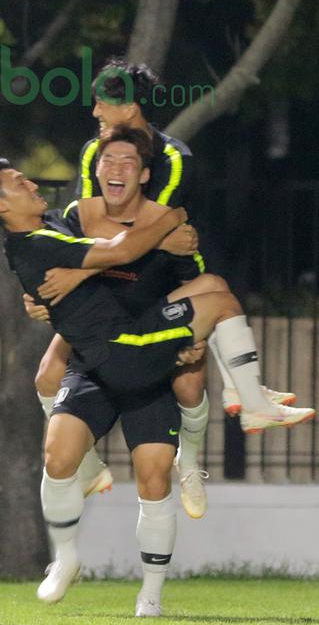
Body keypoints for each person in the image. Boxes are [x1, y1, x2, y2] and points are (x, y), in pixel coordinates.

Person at [0, 156, 313, 616]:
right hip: (117, 353)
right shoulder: (51, 233)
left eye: (130, 162)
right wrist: (172, 219)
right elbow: (120, 251)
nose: (30, 183)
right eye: (17, 181)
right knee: (57, 454)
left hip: (138, 350)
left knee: (154, 472)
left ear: (145, 175)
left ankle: (150, 594)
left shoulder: (55, 225)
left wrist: (146, 268)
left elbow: (136, 260)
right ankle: (64, 559)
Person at [28, 128, 295, 518]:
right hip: (99, 320)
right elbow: (51, 267)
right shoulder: (78, 217)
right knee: (46, 377)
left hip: (153, 321)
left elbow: (198, 282)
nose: (117, 169)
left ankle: (191, 461)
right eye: (108, 160)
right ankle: (86, 465)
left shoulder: (170, 227)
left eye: (128, 162)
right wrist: (38, 299)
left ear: (146, 176)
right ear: (96, 169)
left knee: (191, 378)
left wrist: (197, 333)